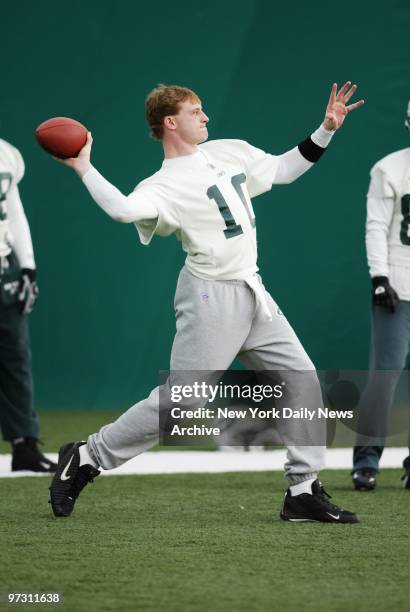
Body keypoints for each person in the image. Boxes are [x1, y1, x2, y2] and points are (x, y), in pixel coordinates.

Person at [49, 82, 364, 522]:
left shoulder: (227, 151)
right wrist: (83, 167)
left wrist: (326, 129)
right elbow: (122, 209)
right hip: (210, 294)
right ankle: (86, 456)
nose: (206, 117)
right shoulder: (162, 185)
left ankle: (303, 490)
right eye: (196, 111)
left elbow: (284, 170)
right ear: (170, 122)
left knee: (301, 381)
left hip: (252, 289)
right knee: (185, 401)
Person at [352, 100, 410, 491]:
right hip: (399, 287)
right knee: (385, 375)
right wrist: (379, 276)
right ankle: (366, 460)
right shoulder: (390, 167)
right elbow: (376, 227)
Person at [0, 138, 56, 472]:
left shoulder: (6, 153)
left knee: (15, 358)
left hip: (4, 266)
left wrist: (28, 267)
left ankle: (24, 446)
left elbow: (14, 210)